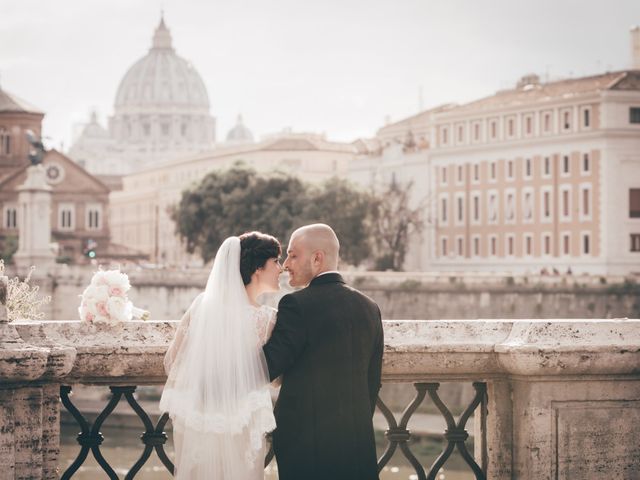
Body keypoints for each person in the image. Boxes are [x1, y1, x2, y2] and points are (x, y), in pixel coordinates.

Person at [263, 223, 384, 480]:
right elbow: (372, 382)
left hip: (306, 451)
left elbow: (267, 366)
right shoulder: (370, 307)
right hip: (358, 444)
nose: (285, 264)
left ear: (317, 258)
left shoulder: (295, 305)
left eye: (293, 255)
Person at [160, 232, 282, 479]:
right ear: (258, 268)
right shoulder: (267, 319)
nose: (281, 268)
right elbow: (274, 376)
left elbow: (173, 361)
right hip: (243, 421)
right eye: (276, 261)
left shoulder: (202, 306)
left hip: (202, 418)